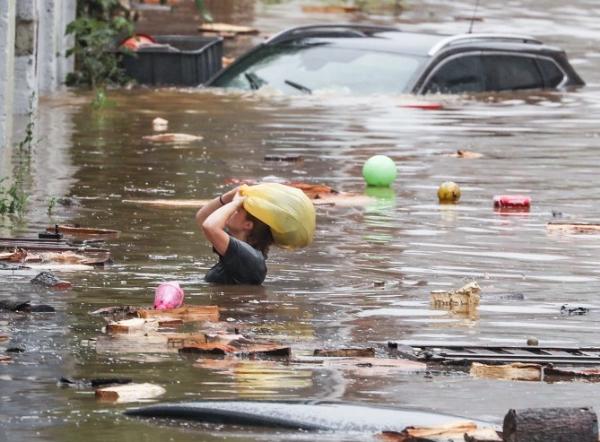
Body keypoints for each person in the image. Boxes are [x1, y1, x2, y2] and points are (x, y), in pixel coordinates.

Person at [196, 186, 274, 285]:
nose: (231, 210)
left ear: (248, 225)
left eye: (237, 210)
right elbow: (203, 218)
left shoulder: (248, 256)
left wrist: (236, 202)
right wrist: (229, 196)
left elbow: (209, 226)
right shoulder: (241, 249)